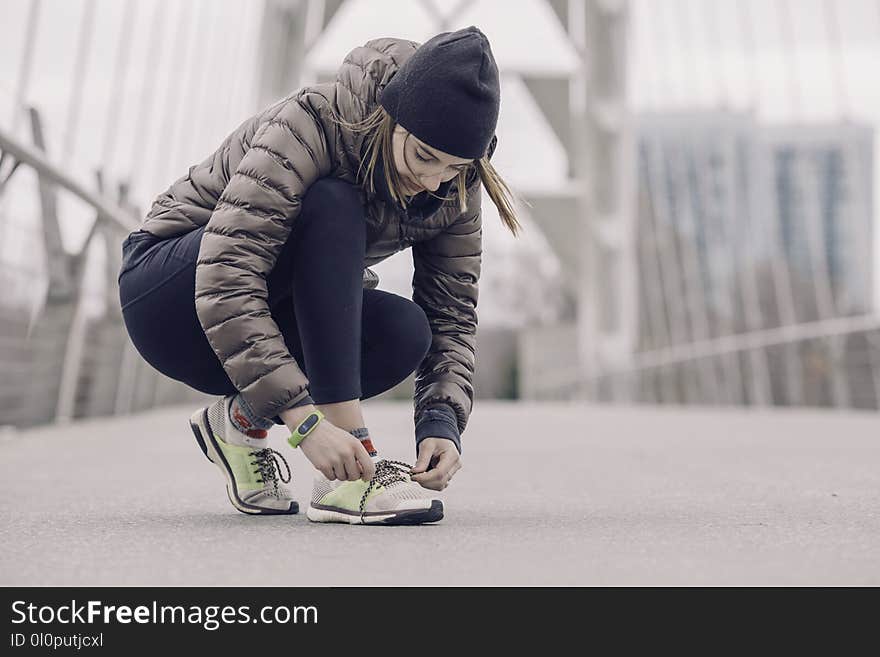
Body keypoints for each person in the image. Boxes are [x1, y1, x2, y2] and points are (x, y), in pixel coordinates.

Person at [117, 26, 520, 525]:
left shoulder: (454, 185)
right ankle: (350, 469)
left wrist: (442, 422)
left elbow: (452, 313)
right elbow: (227, 275)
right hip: (169, 298)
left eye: (457, 167)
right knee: (332, 200)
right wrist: (305, 422)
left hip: (255, 321)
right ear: (391, 117)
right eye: (423, 156)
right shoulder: (313, 123)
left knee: (405, 331)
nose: (434, 179)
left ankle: (239, 420)